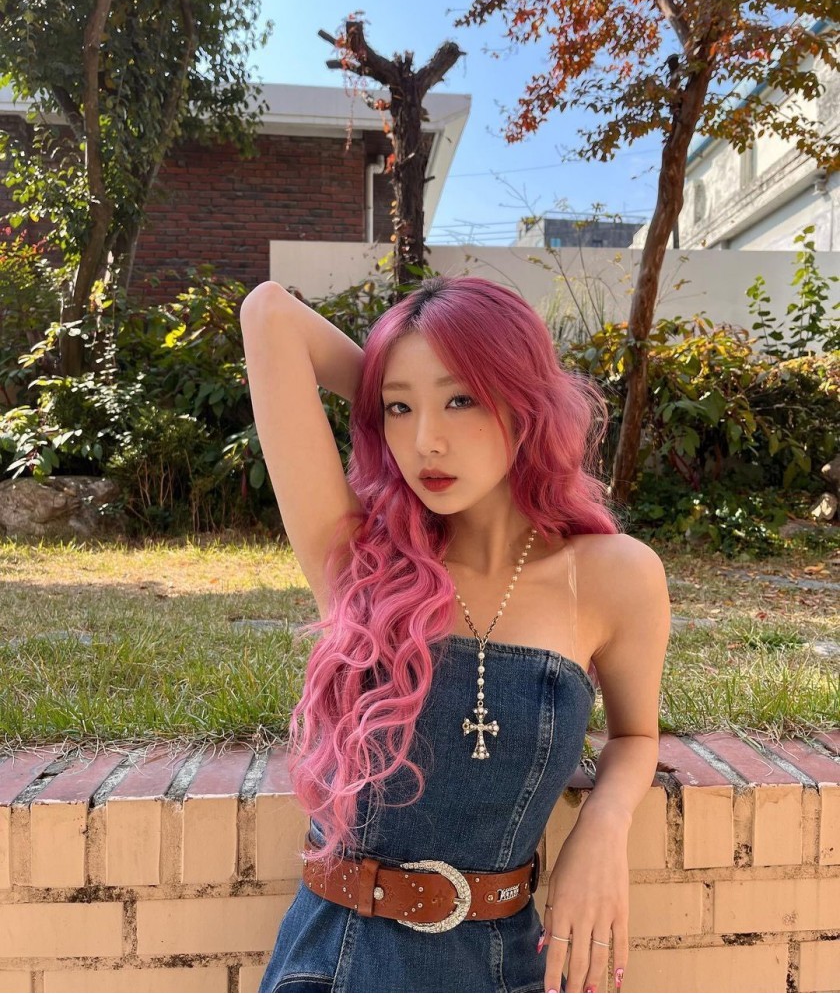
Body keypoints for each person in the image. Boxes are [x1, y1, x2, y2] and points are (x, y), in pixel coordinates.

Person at [240, 275, 670, 994]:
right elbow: (269, 314)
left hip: (506, 966)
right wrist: (387, 382)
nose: (425, 442)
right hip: (333, 963)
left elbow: (635, 735)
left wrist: (604, 823)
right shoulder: (358, 558)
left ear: (525, 402)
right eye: (399, 408)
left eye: (461, 399)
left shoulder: (612, 575)